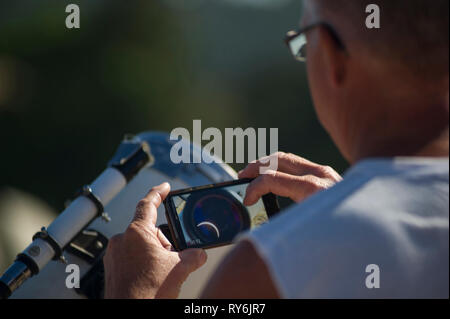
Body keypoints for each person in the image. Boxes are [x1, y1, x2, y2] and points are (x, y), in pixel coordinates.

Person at [103, 0, 449, 298]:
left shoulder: (269, 270)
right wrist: (354, 206)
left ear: (331, 57)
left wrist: (134, 293)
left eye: (303, 43)